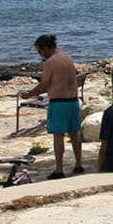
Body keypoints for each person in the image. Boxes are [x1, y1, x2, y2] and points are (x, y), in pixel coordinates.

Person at [18, 34, 84, 178]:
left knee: (58, 135)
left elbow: (43, 85)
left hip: (59, 102)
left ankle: (59, 169)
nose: (40, 55)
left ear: (45, 48)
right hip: (73, 100)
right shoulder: (67, 57)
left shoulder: (50, 62)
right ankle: (79, 164)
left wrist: (29, 94)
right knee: (74, 134)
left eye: (39, 51)